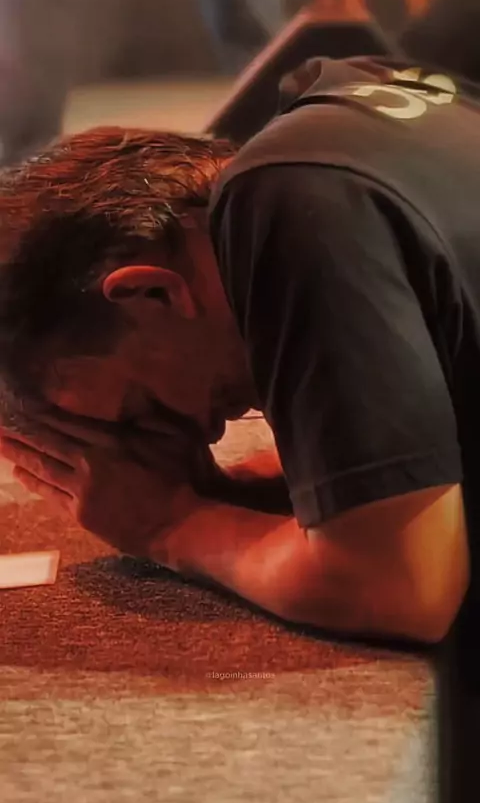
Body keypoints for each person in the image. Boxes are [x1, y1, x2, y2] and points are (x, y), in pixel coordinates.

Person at [0, 55, 477, 646]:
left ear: (151, 293)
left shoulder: (289, 199)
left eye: (143, 408)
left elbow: (398, 587)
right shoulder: (351, 103)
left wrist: (172, 523)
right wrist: (243, 491)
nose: (205, 433)